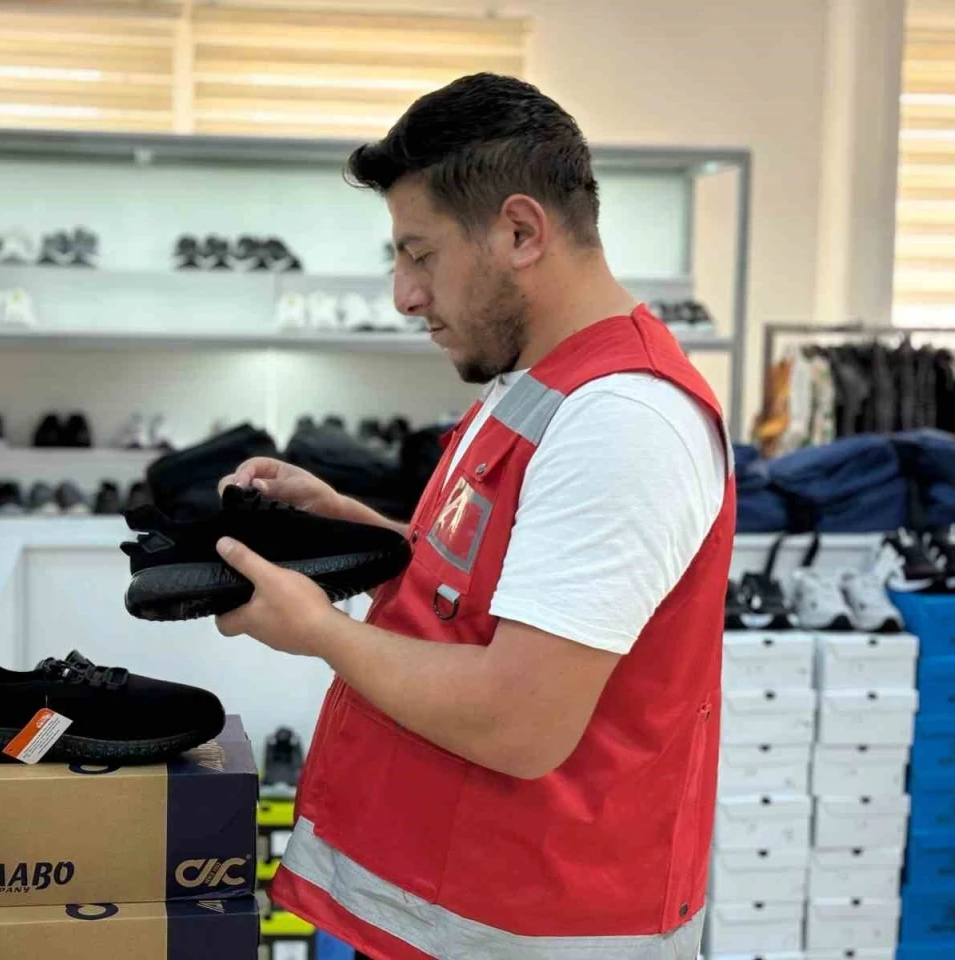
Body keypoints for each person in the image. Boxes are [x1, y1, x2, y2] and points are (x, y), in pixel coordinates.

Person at [215, 73, 733, 960]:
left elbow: (520, 720)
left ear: (521, 233)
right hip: (454, 907)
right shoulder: (535, 382)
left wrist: (321, 633)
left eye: (420, 255)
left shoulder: (623, 418)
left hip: (533, 930)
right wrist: (351, 525)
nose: (404, 295)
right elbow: (483, 585)